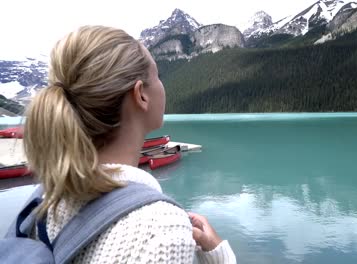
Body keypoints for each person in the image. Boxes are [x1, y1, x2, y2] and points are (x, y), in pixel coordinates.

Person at [23, 25, 236, 263]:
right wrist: (221, 257)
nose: (162, 84)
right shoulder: (160, 230)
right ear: (140, 95)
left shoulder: (45, 201)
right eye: (158, 76)